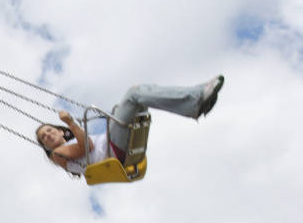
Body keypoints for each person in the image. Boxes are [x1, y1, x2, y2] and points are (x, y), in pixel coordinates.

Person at [35, 75, 225, 176]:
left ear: (61, 133)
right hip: (113, 151)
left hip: (114, 147)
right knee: (134, 94)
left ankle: (195, 103)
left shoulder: (68, 145)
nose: (48, 135)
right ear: (47, 147)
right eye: (44, 138)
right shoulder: (58, 154)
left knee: (139, 97)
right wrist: (69, 122)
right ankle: (196, 99)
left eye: (49, 130)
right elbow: (88, 147)